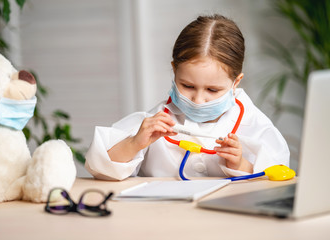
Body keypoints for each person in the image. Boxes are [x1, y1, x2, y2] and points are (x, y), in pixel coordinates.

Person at [85, 14, 290, 181]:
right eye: (188, 86)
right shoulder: (154, 121)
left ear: (236, 82)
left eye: (212, 90)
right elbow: (101, 168)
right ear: (174, 71)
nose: (198, 99)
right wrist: (135, 143)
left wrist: (241, 165)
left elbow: (277, 178)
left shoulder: (255, 124)